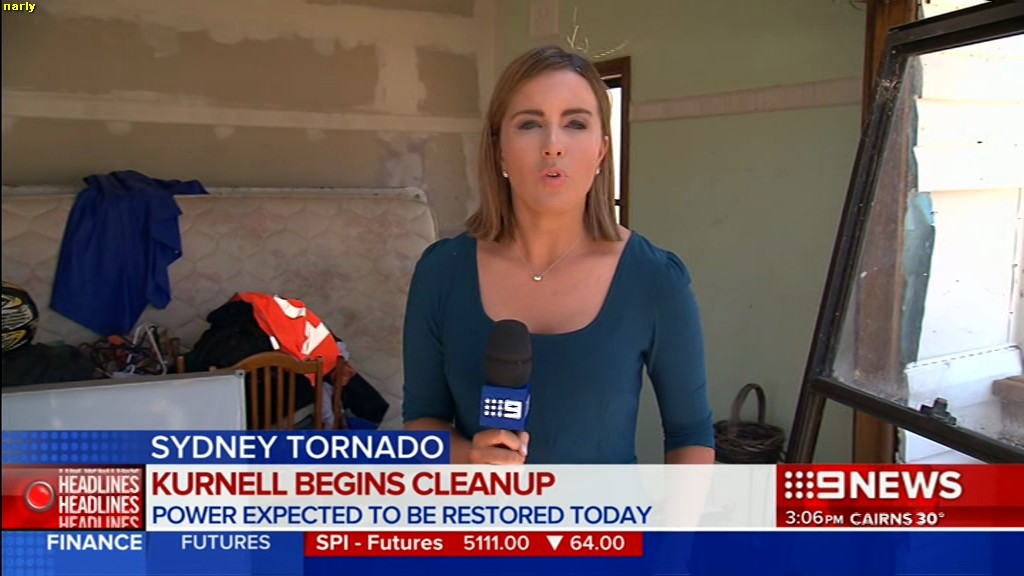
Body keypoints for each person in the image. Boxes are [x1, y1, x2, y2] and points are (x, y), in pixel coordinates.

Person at [402, 45, 714, 465]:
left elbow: (690, 434)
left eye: (575, 124)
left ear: (601, 150)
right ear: (499, 149)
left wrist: (676, 512)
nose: (553, 145)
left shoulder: (655, 279)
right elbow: (421, 421)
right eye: (530, 124)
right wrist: (468, 456)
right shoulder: (441, 272)